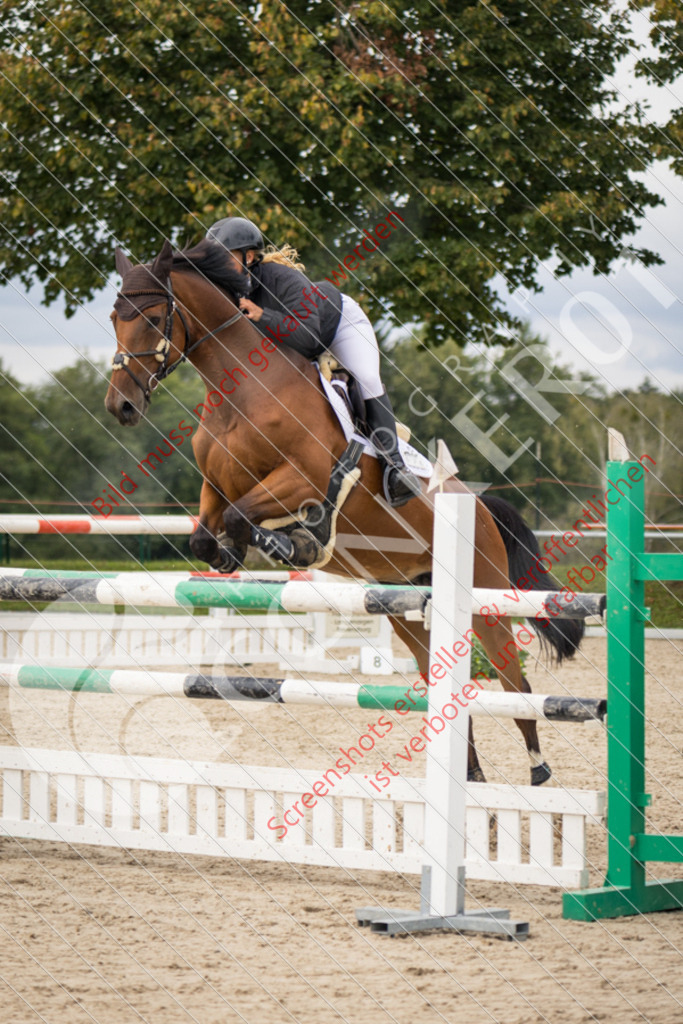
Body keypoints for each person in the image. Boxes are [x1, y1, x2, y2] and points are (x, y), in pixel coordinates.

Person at [205, 216, 422, 508]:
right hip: (291, 346)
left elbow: (309, 338)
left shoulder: (280, 278)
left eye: (225, 256)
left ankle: (396, 468)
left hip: (338, 327)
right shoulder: (228, 290)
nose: (218, 264)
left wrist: (261, 315)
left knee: (367, 378)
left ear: (250, 256)